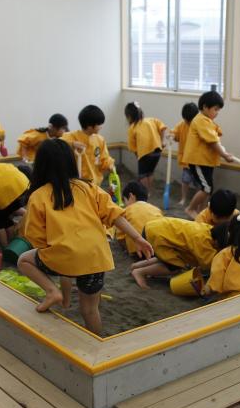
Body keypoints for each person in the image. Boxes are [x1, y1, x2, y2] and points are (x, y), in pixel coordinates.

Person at [18, 139, 152, 335]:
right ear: (72, 162)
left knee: (24, 260)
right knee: (89, 309)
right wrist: (137, 238)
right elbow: (115, 214)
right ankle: (98, 344)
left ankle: (52, 292)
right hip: (95, 259)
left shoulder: (38, 196)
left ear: (41, 166)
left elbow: (35, 236)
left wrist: (49, 247)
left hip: (61, 258)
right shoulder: (89, 188)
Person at [130, 217, 226, 289]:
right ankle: (140, 272)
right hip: (158, 236)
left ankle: (136, 266)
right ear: (217, 243)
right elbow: (208, 264)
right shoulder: (203, 242)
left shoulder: (208, 229)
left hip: (154, 227)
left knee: (170, 259)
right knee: (174, 267)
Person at [182, 90, 235, 219]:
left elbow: (216, 140)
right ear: (205, 107)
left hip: (206, 161)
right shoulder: (201, 120)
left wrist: (224, 152)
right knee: (207, 189)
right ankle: (191, 209)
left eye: (218, 110)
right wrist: (224, 155)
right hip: (198, 161)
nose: (217, 113)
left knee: (208, 188)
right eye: (215, 109)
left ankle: (201, 212)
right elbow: (212, 142)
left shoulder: (207, 121)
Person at [61, 105, 115, 186]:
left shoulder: (100, 140)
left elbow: (104, 158)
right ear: (90, 126)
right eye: (99, 124)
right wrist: (72, 144)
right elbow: (57, 144)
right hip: (76, 184)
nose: (101, 127)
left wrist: (109, 165)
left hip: (95, 184)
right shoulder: (72, 136)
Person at [124, 101, 168, 193]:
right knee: (150, 172)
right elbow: (163, 127)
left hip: (145, 154)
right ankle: (150, 191)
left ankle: (145, 192)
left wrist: (137, 155)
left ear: (129, 116)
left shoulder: (132, 127)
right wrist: (162, 141)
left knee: (143, 175)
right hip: (157, 152)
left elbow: (132, 147)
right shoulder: (151, 120)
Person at [116, 181, 163, 258]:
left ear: (131, 196)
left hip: (137, 251)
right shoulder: (156, 209)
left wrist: (126, 248)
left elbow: (120, 237)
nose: (125, 205)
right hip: (157, 248)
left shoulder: (126, 211)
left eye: (124, 201)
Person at [172, 102, 199, 207]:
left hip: (198, 161)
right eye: (186, 120)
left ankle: (197, 201)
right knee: (185, 180)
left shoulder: (199, 126)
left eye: (190, 120)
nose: (187, 122)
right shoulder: (182, 125)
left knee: (199, 184)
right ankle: (183, 198)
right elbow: (174, 132)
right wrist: (172, 136)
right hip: (186, 160)